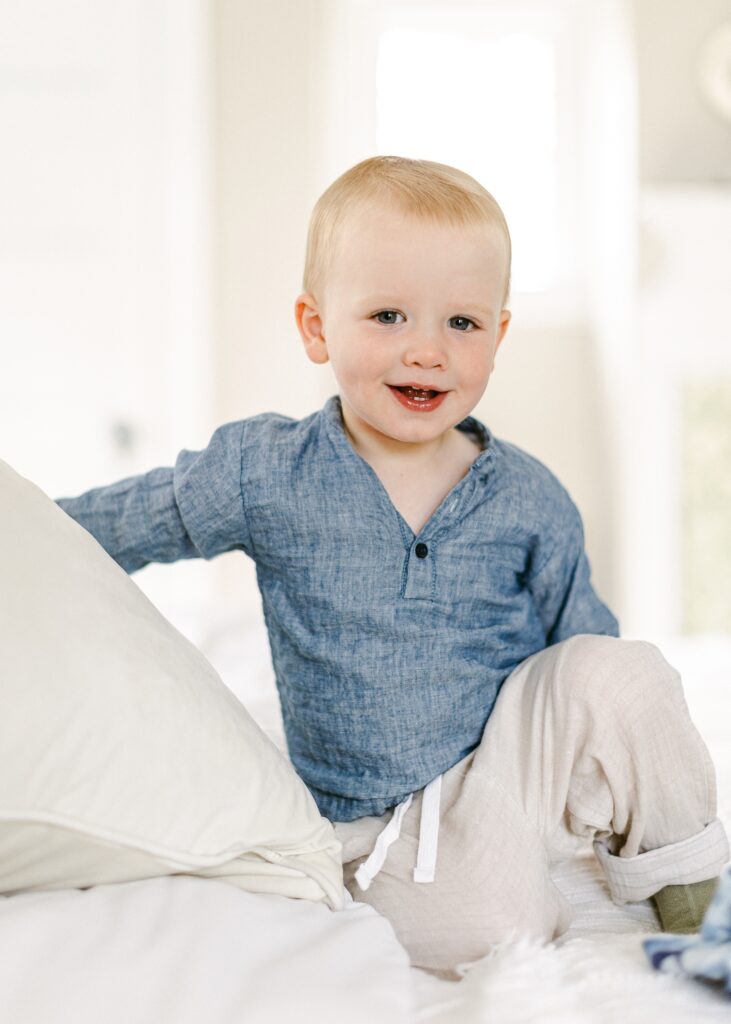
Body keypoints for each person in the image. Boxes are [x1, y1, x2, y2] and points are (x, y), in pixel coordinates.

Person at [57, 156, 728, 977]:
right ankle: (522, 880)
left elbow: (583, 661)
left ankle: (698, 910)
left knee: (626, 673)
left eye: (461, 323)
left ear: (498, 336)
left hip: (516, 769)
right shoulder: (268, 472)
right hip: (390, 822)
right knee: (483, 928)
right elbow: (112, 523)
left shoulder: (526, 495)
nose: (426, 350)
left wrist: (617, 750)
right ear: (315, 327)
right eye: (386, 315)